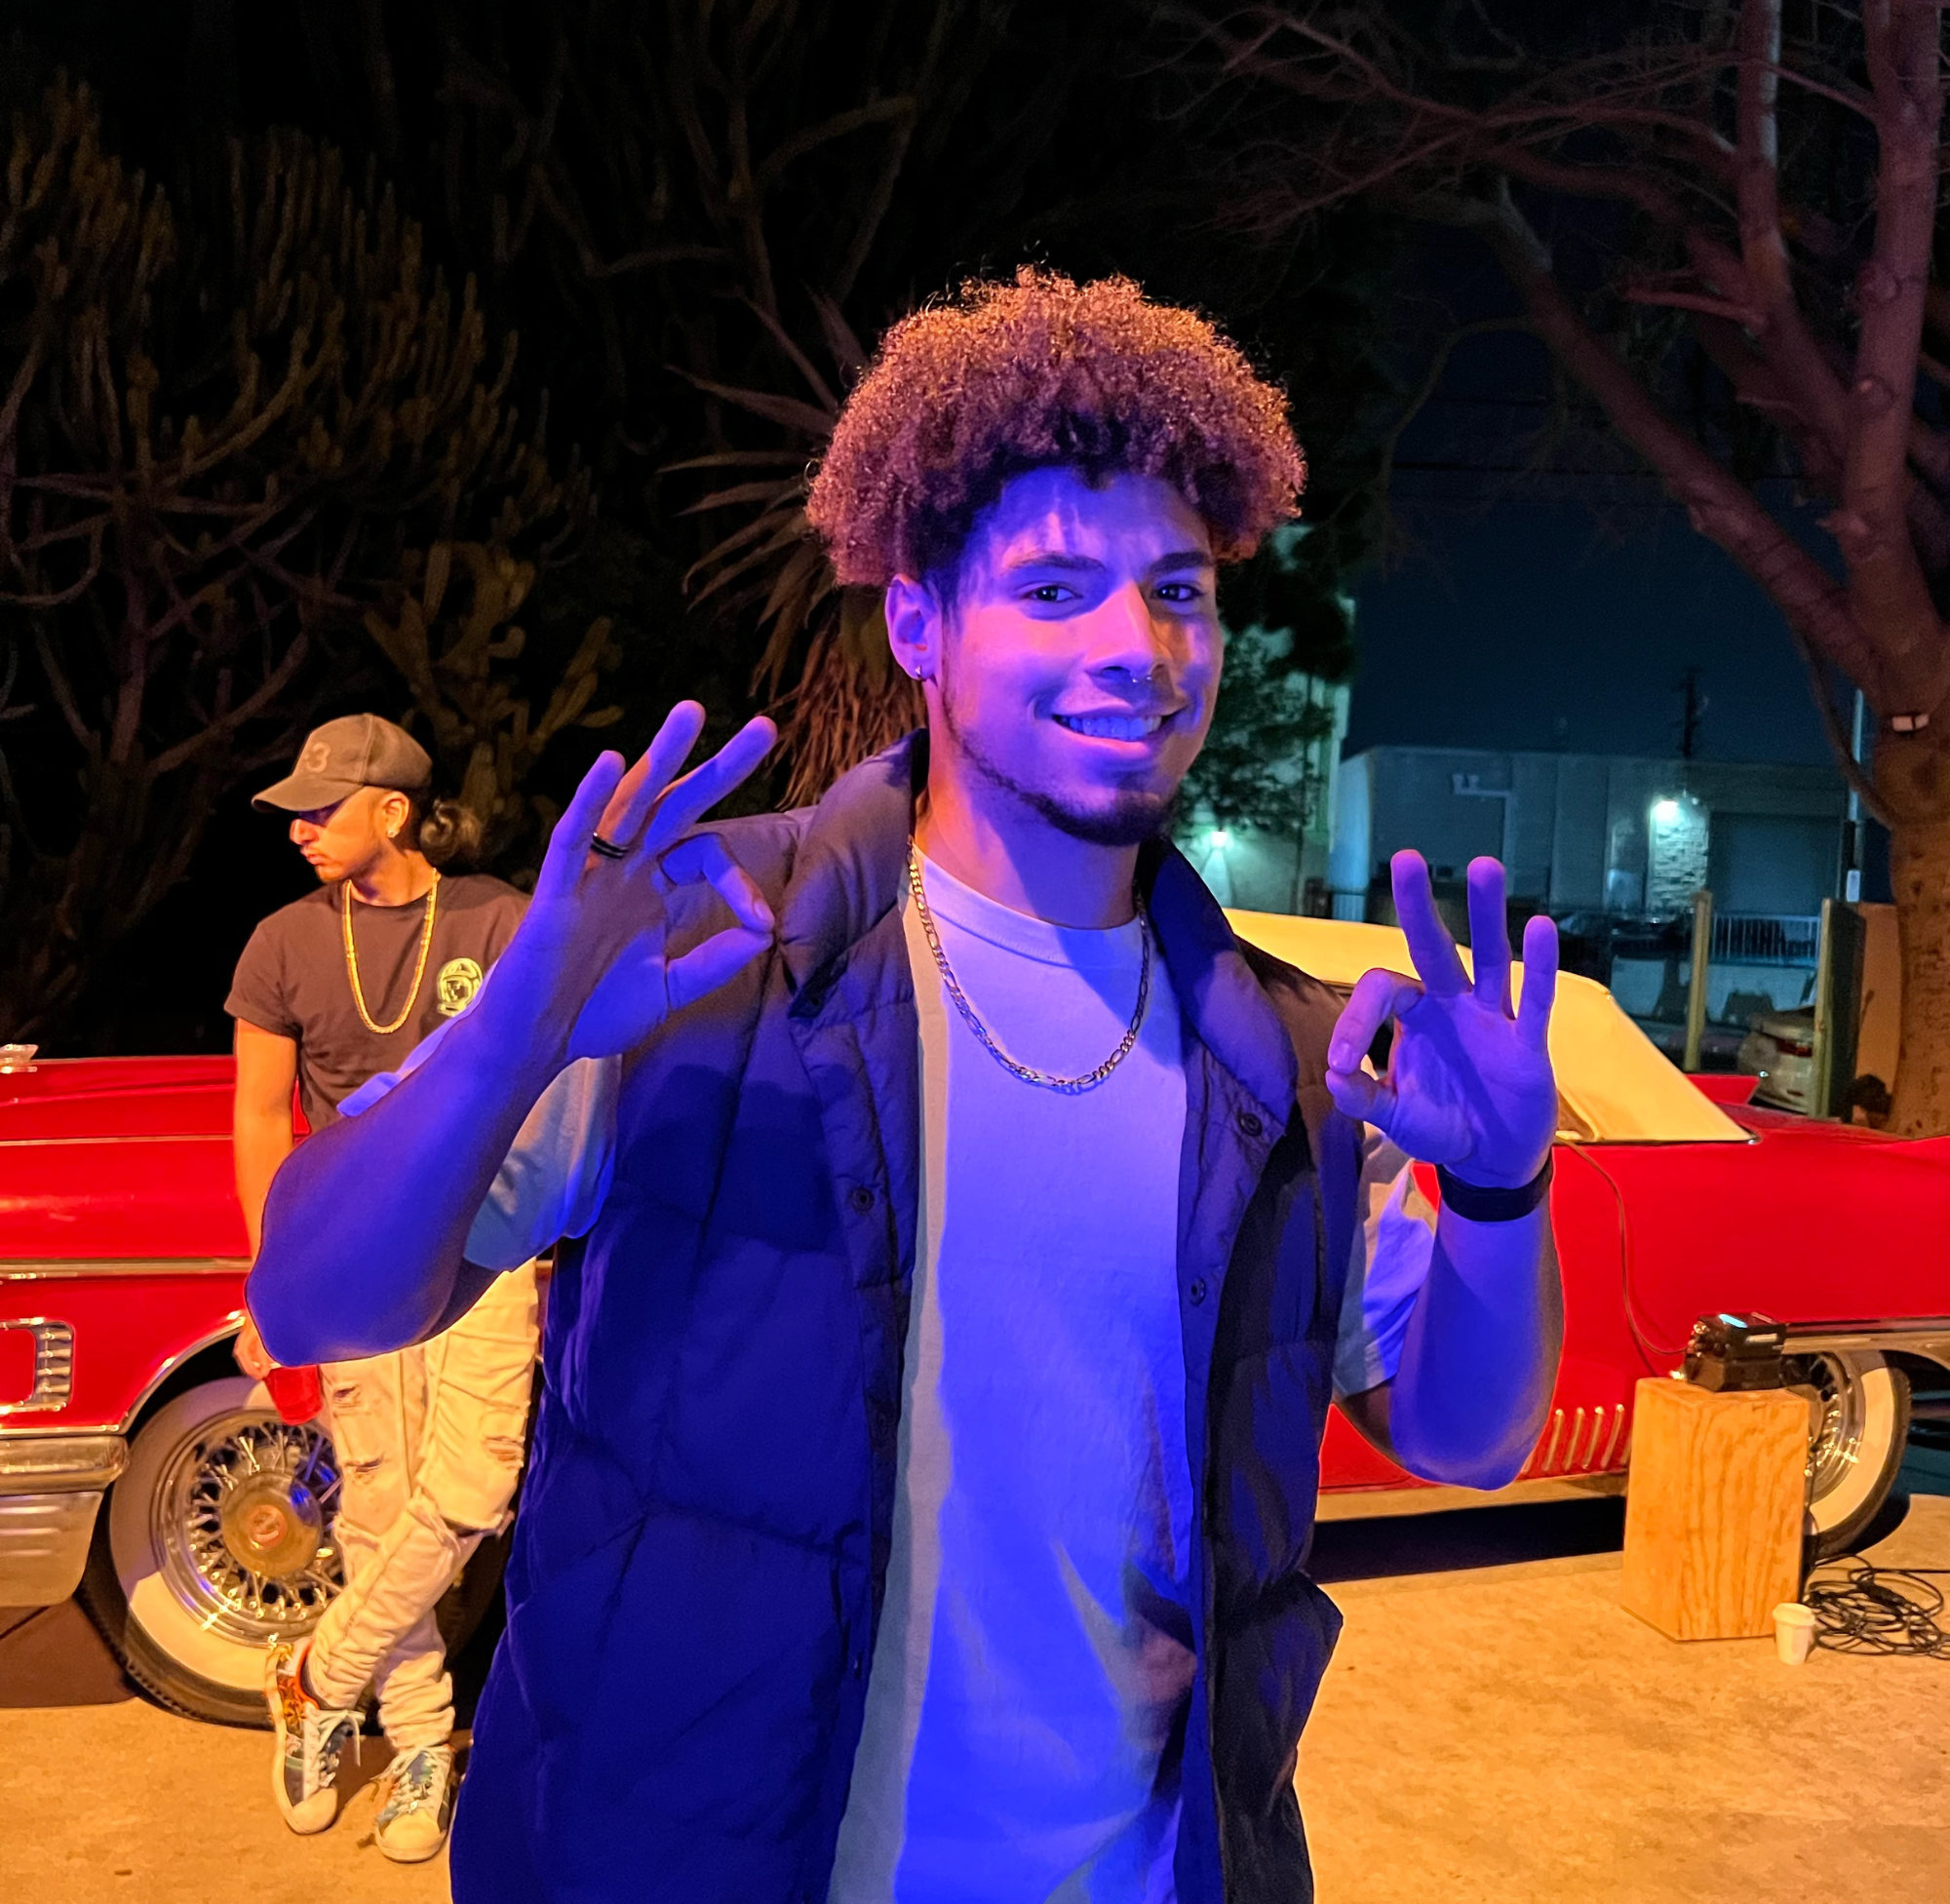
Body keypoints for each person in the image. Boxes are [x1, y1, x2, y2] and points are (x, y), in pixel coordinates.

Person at [248, 272, 1564, 1904]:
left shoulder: (1278, 1056)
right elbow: (311, 1298)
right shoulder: (698, 958)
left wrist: (1501, 1188)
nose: (1141, 648)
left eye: (1178, 591)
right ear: (918, 624)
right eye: (1057, 589)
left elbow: (1465, 1436)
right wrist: (515, 1028)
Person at [225, 713, 539, 1865]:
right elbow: (262, 1118)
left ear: (394, 811)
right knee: (376, 1495)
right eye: (295, 812)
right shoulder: (282, 942)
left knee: (470, 1487)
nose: (300, 828)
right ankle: (416, 1739)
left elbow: (550, 1078)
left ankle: (321, 1672)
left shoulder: (496, 918)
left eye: (322, 808)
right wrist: (278, 1280)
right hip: (354, 1242)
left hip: (490, 1233)